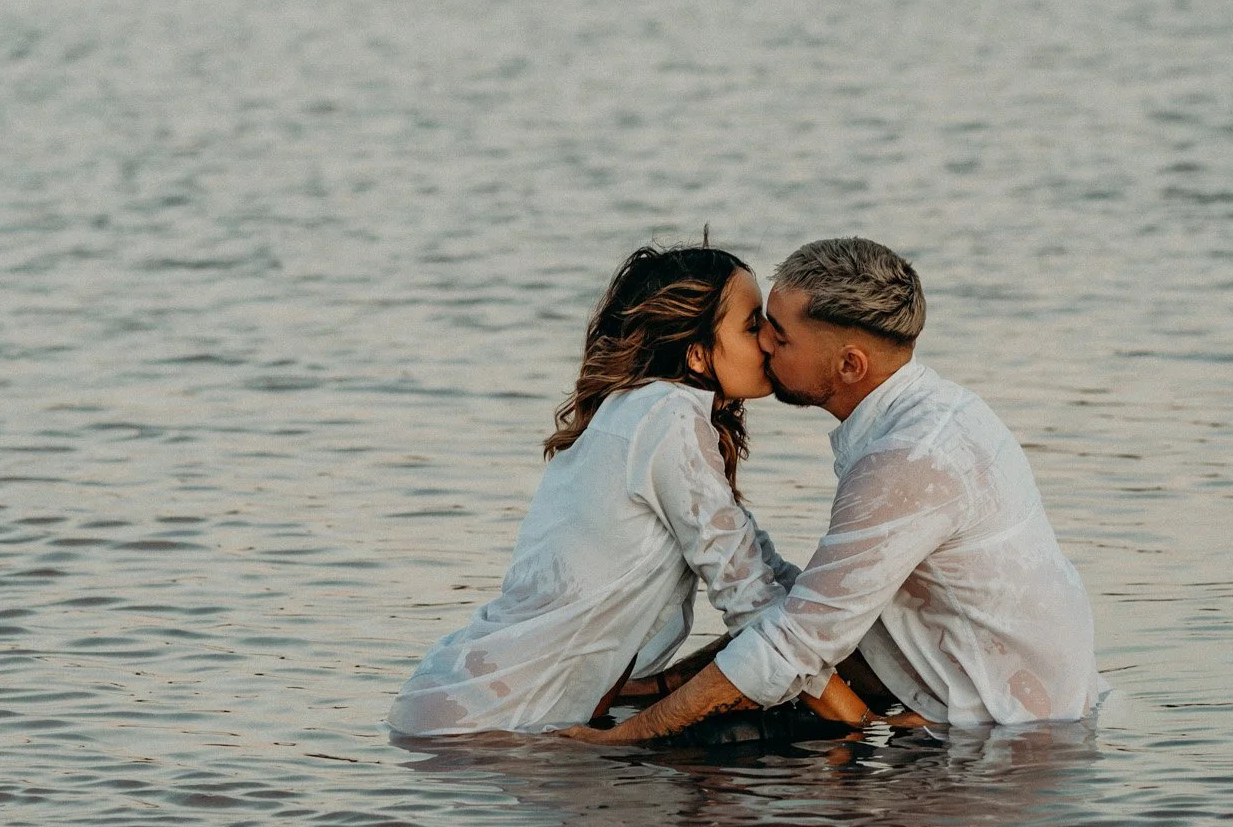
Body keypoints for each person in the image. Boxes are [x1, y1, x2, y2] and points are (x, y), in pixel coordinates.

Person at [564, 238, 1104, 745]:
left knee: (658, 767)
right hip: (973, 696)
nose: (763, 345)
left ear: (849, 365)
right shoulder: (927, 414)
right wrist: (661, 687)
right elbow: (809, 610)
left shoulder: (909, 460)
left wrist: (619, 740)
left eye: (778, 333)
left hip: (1003, 729)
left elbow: (794, 643)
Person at [389, 243, 874, 736]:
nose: (771, 340)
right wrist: (866, 724)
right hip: (486, 723)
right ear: (697, 354)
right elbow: (750, 598)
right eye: (752, 326)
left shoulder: (643, 411)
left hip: (462, 706)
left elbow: (762, 570)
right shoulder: (667, 419)